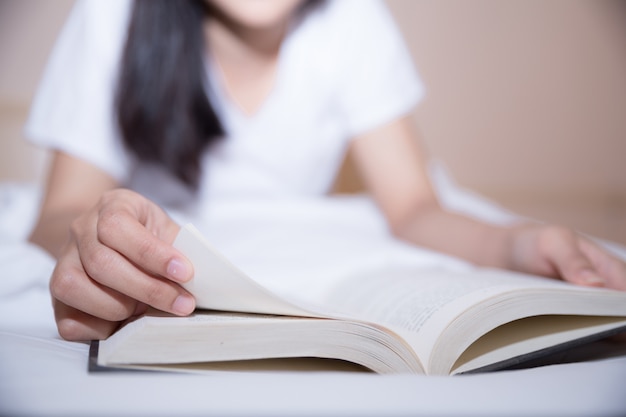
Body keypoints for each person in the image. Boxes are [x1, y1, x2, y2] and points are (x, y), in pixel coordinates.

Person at [26, 0, 626, 342]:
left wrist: (516, 243)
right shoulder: (113, 15)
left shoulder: (352, 20)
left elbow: (414, 207)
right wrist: (103, 237)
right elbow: (57, 213)